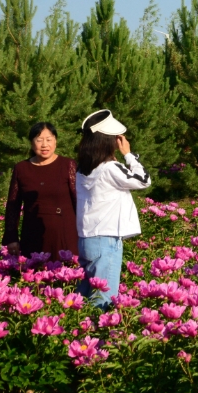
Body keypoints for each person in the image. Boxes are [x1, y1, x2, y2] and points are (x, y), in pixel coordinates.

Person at [75, 110, 150, 308]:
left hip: (87, 238)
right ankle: (97, 338)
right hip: (106, 239)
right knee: (103, 300)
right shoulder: (110, 168)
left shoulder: (83, 168)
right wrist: (129, 155)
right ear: (108, 141)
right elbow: (143, 181)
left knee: (83, 296)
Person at [2, 122, 78, 259]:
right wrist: (11, 237)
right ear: (32, 143)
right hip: (32, 234)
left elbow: (78, 200)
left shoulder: (68, 165)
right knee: (35, 277)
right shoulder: (21, 168)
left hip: (65, 232)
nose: (44, 145)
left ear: (55, 141)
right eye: (39, 140)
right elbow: (13, 205)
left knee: (66, 276)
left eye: (49, 140)